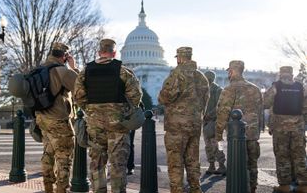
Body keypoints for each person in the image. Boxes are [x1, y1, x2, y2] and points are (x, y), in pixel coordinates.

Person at [74, 38, 142, 193]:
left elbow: (78, 97)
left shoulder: (85, 72)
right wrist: (122, 111)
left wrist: (92, 111)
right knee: (118, 166)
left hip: (95, 125)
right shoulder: (123, 71)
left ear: (99, 52)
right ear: (114, 53)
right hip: (118, 126)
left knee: (97, 164)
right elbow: (136, 97)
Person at [158, 47, 209, 193]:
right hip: (194, 124)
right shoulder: (202, 77)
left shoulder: (177, 74)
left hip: (176, 126)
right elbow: (205, 101)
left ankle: (177, 190)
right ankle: (195, 189)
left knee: (175, 162)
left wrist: (162, 97)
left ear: (179, 58)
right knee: (193, 160)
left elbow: (165, 97)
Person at [35, 42, 79, 193]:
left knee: (48, 153)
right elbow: (80, 86)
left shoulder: (39, 69)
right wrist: (73, 68)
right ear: (65, 57)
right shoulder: (62, 71)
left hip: (42, 119)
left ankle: (48, 187)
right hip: (59, 120)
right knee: (64, 158)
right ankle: (61, 189)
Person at [215, 60, 262, 193]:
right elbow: (260, 112)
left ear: (231, 71)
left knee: (237, 165)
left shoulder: (229, 89)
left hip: (236, 135)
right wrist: (258, 129)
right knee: (252, 164)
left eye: (229, 71)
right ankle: (252, 189)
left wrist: (218, 135)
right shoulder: (255, 89)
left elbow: (222, 113)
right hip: (253, 133)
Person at [264, 66, 307, 193]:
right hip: (298, 126)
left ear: (281, 74)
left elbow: (265, 103)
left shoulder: (276, 86)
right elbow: (305, 107)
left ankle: (285, 186)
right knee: (299, 155)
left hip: (280, 126)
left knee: (282, 155)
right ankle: (303, 186)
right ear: (292, 74)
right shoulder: (301, 87)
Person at [203, 70, 226, 175]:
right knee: (208, 145)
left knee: (218, 144)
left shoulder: (218, 90)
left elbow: (219, 106)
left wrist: (208, 115)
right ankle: (211, 165)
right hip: (206, 123)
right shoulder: (203, 90)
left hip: (216, 122)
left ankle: (222, 165)